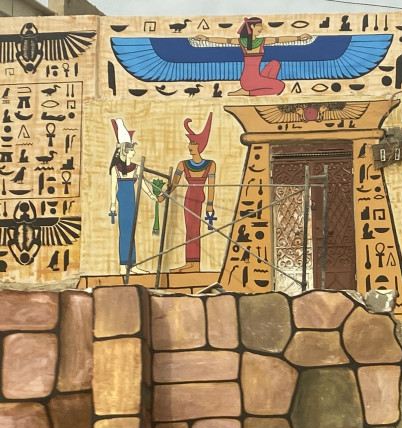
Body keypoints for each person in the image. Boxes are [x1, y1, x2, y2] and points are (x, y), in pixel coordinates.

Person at [195, 17, 311, 96]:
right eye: (259, 26)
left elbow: (279, 39)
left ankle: (256, 88)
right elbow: (226, 40)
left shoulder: (261, 41)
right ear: (252, 27)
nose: (261, 28)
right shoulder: (243, 42)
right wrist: (206, 38)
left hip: (256, 77)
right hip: (248, 81)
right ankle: (247, 92)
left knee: (275, 64)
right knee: (280, 86)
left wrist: (299, 38)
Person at [162, 113, 216, 273]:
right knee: (190, 229)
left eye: (192, 143)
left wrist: (210, 204)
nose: (189, 146)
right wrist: (163, 195)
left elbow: (211, 186)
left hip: (199, 197)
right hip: (189, 197)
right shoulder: (183, 164)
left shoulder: (210, 164)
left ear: (199, 146)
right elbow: (174, 184)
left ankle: (195, 264)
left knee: (195, 229)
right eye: (189, 143)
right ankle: (190, 262)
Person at [109, 118, 153, 275]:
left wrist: (151, 195)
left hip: (131, 203)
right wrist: (112, 205)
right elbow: (113, 187)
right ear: (126, 152)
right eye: (132, 150)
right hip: (123, 203)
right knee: (125, 234)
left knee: (131, 232)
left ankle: (132, 265)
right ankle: (123, 266)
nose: (134, 152)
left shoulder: (136, 168)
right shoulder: (116, 169)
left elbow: (144, 183)